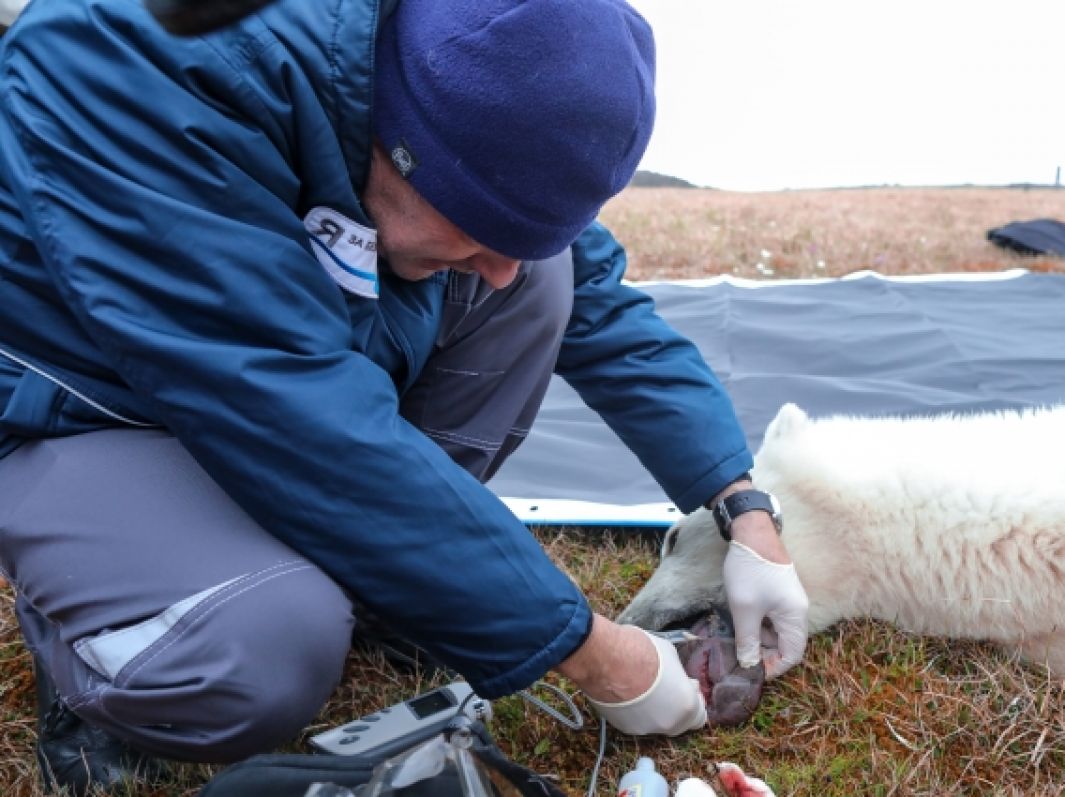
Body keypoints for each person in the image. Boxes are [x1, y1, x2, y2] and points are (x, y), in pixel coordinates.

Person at [0, 0, 810, 794]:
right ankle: (103, 655)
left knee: (541, 275)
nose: (496, 267)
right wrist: (595, 651)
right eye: (480, 227)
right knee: (259, 651)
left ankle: (389, 597)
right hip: (83, 408)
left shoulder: (454, 91)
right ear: (403, 141)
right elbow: (301, 421)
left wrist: (743, 508)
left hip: (278, 382)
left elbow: (601, 306)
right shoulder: (130, 57)